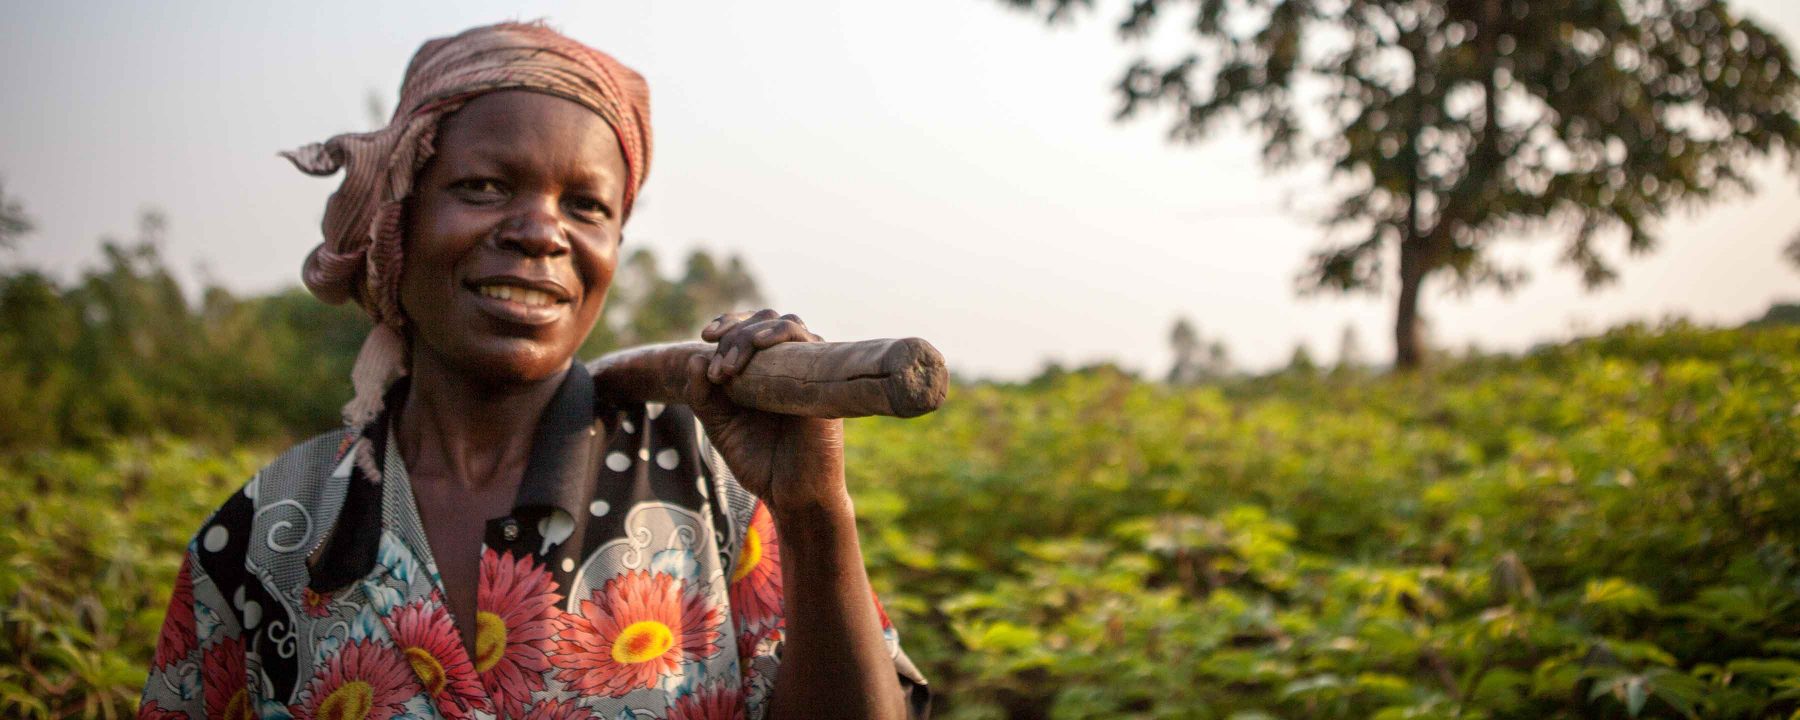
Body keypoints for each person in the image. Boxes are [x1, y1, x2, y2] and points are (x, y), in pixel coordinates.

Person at [138, 21, 928, 720]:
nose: (542, 232)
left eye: (587, 206)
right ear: (395, 217)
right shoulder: (265, 536)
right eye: (484, 187)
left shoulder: (709, 482)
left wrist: (817, 512)